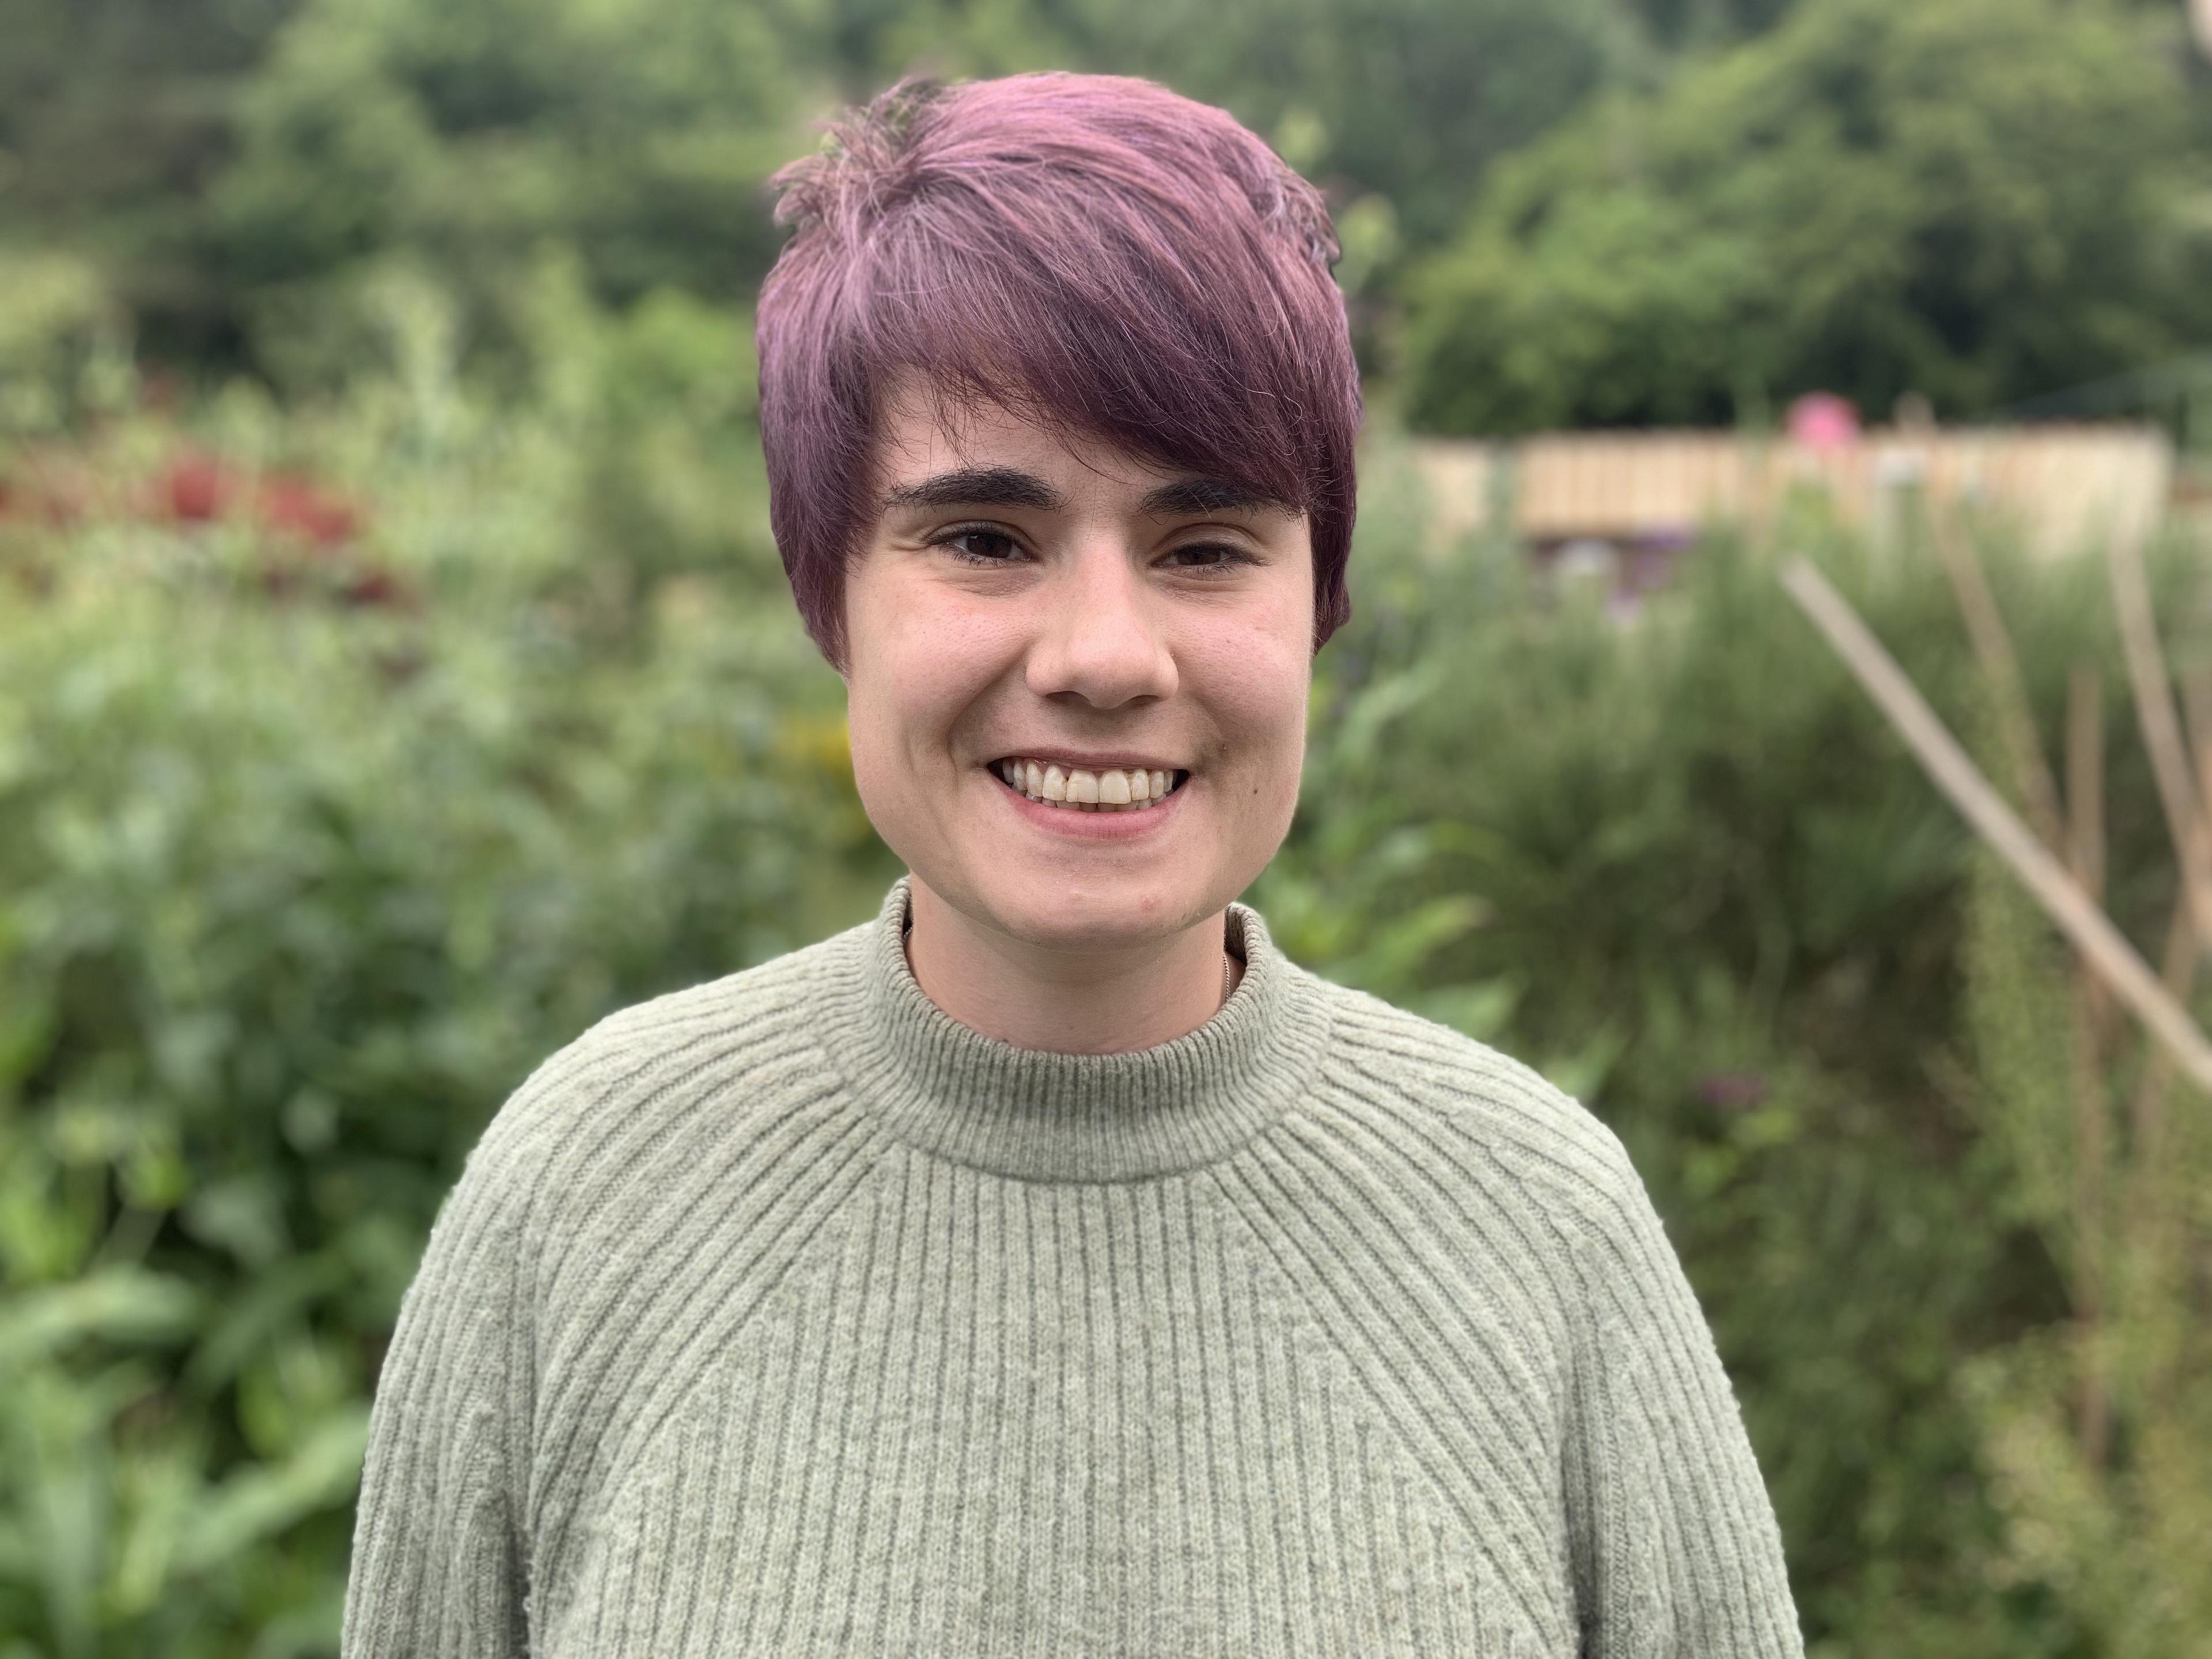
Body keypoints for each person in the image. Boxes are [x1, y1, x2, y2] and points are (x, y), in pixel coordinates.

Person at [340, 71, 1804, 1658]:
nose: (1106, 657)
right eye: (983, 539)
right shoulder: (588, 1199)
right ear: (827, 594)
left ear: (1320, 606)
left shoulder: (1539, 1233)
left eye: (1205, 548)